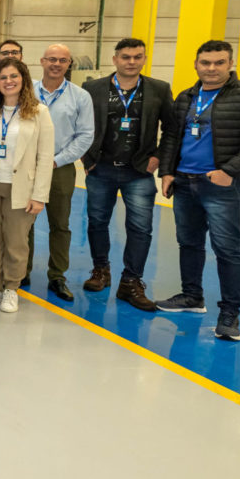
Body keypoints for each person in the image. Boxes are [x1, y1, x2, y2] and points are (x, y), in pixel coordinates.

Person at [156, 40, 240, 341]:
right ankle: (192, 296)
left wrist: (230, 171)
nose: (211, 68)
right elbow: (171, 136)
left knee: (227, 249)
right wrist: (167, 171)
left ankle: (229, 315)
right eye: (205, 63)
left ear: (230, 64)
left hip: (221, 186)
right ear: (196, 64)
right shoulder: (186, 96)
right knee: (189, 242)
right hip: (184, 181)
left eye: (219, 62)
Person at [81, 38, 176, 311]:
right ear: (115, 60)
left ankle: (130, 281)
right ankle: (101, 270)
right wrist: (87, 158)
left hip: (139, 170)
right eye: (126, 57)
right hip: (101, 168)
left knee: (140, 228)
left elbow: (172, 129)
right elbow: (81, 125)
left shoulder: (159, 89)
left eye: (137, 57)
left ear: (144, 59)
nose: (131, 61)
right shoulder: (93, 88)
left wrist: (158, 158)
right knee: (97, 222)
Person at [0, 60, 54, 314]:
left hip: (21, 186)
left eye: (14, 76)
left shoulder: (39, 112)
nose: (9, 81)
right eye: (3, 77)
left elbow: (45, 156)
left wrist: (39, 195)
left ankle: (11, 288)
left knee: (16, 241)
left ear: (23, 79)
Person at [26, 44, 94, 297]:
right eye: (52, 59)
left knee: (60, 224)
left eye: (62, 60)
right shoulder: (26, 92)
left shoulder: (80, 97)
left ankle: (57, 275)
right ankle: (22, 270)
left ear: (69, 64)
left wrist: (56, 160)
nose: (56, 64)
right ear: (42, 61)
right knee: (24, 222)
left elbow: (85, 135)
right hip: (27, 167)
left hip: (60, 167)